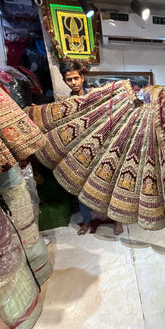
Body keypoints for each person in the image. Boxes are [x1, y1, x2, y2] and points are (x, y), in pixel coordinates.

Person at [59, 60, 123, 236]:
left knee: (109, 185)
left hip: (102, 148)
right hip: (80, 152)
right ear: (65, 81)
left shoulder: (95, 97)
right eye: (69, 80)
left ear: (82, 77)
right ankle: (87, 221)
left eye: (76, 78)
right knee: (82, 188)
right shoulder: (66, 105)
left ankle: (117, 220)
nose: (73, 83)